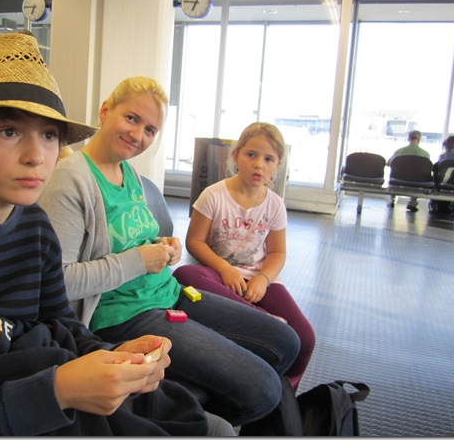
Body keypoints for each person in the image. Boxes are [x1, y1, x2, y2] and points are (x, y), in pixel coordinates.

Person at [0, 34, 234, 436]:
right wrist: (57, 392)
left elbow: (62, 323)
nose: (36, 156)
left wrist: (111, 356)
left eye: (49, 135)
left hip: (27, 388)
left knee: (211, 427)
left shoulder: (34, 225)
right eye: (9, 132)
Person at [39, 76, 301, 432]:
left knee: (286, 343)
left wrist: (164, 244)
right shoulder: (71, 180)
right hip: (124, 315)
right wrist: (139, 260)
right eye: (131, 119)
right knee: (263, 389)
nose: (138, 135)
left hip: (170, 293)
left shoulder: (128, 173)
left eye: (150, 129)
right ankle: (182, 416)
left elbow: (132, 238)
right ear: (105, 111)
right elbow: (59, 281)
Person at [172, 122, 315, 393]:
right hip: (216, 274)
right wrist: (225, 269)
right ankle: (263, 319)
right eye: (251, 155)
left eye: (268, 159)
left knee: (305, 338)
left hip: (257, 276)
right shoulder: (213, 195)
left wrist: (263, 279)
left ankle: (285, 395)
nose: (259, 164)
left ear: (278, 165)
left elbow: (277, 252)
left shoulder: (275, 204)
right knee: (184, 275)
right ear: (236, 156)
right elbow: (195, 242)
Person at [387, 129, 430, 211]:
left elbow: (388, 163)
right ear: (419, 140)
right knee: (418, 178)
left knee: (393, 174)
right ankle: (412, 203)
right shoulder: (425, 154)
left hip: (398, 180)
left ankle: (392, 200)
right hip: (417, 182)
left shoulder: (399, 151)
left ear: (408, 139)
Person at [429, 135, 454, 216]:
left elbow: (436, 169)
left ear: (445, 146)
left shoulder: (442, 157)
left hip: (443, 181)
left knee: (435, 180)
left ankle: (433, 204)